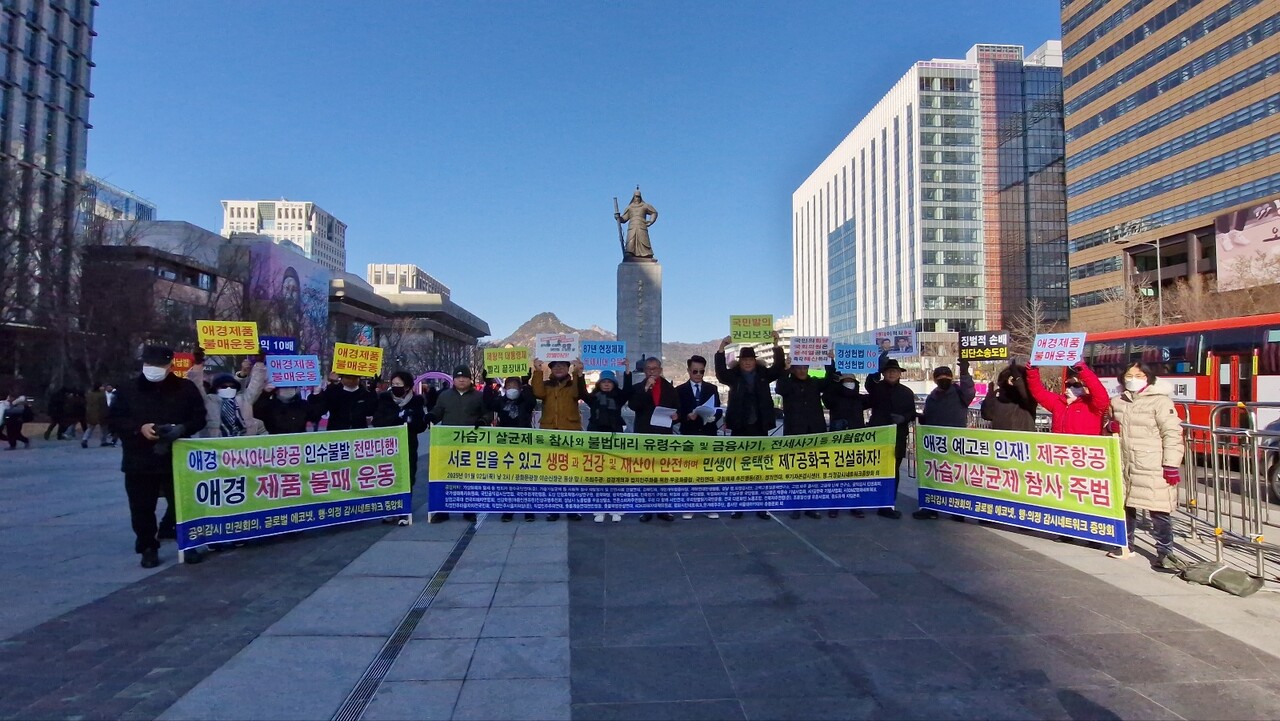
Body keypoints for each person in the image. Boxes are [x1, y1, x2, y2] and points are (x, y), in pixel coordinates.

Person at [107, 345, 208, 568]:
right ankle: (148, 547)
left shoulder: (185, 388)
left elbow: (200, 417)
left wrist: (182, 428)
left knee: (183, 504)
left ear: (170, 365)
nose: (153, 368)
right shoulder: (127, 389)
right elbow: (114, 420)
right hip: (139, 459)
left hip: (177, 457)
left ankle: (188, 543)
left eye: (159, 364)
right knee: (142, 507)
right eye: (149, 364)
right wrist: (139, 428)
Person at [1108, 362, 1186, 570]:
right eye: (1129, 375)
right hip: (1124, 462)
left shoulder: (1160, 401)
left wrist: (1171, 464)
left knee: (1159, 510)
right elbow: (1107, 429)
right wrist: (1109, 427)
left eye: (1139, 375)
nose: (1133, 379)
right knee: (1125, 506)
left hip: (1152, 464)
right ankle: (1125, 545)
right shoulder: (1117, 401)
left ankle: (1165, 553)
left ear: (1148, 378)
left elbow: (1172, 433)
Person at [715, 332, 784, 519]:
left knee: (760, 468)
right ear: (740, 362)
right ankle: (738, 506)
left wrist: (776, 344)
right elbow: (720, 373)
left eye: (750, 359)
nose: (747, 362)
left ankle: (761, 506)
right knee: (739, 467)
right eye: (744, 360)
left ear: (755, 361)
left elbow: (778, 368)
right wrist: (721, 348)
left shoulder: (763, 374)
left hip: (760, 426)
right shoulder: (733, 376)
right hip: (739, 426)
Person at [912, 360, 976, 521]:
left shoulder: (960, 393)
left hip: (955, 442)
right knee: (934, 476)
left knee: (956, 476)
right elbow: (928, 416)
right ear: (935, 380)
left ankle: (958, 510)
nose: (943, 380)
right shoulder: (932, 397)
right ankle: (931, 508)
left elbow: (970, 391)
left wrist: (965, 373)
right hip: (935, 444)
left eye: (946, 377)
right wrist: (920, 417)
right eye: (940, 378)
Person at [427, 365, 490, 523]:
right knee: (445, 476)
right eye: (458, 377)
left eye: (465, 377)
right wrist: (431, 416)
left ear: (470, 379)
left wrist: (483, 420)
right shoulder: (444, 396)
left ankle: (468, 509)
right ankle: (442, 510)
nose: (461, 380)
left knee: (468, 477)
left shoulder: (479, 396)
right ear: (453, 379)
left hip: (470, 443)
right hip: (448, 443)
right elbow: (438, 411)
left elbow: (487, 413)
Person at [775, 353, 832, 520]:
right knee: (795, 471)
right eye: (798, 368)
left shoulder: (814, 382)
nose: (802, 371)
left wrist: (829, 361)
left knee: (813, 471)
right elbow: (780, 388)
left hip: (814, 431)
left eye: (805, 367)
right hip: (795, 432)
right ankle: (795, 506)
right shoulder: (788, 383)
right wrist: (785, 370)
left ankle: (811, 506)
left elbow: (829, 380)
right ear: (793, 369)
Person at [530, 359, 586, 521]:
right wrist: (538, 371)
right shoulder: (546, 385)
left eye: (563, 365)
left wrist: (578, 373)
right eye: (555, 365)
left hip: (570, 432)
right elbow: (538, 393)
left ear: (568, 368)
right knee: (552, 473)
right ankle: (553, 508)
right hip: (550, 433)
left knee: (571, 473)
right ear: (551, 369)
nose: (559, 368)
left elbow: (578, 393)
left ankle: (572, 508)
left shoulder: (573, 383)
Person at [373, 371, 430, 526]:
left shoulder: (416, 401)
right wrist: (397, 418)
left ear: (407, 386)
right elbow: (378, 421)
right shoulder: (385, 399)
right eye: (393, 384)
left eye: (399, 384)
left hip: (408, 445)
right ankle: (390, 510)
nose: (395, 387)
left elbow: (420, 426)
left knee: (408, 476)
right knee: (389, 476)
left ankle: (404, 509)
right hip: (388, 446)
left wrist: (411, 420)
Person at [628, 357, 679, 522]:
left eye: (655, 368)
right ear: (644, 371)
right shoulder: (638, 388)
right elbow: (633, 405)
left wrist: (676, 416)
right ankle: (647, 509)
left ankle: (663, 509)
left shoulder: (670, 388)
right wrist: (646, 389)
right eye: (648, 368)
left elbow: (677, 408)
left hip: (663, 435)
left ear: (660, 370)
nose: (652, 371)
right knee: (646, 474)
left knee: (662, 474)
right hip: (645, 435)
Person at [865, 357, 917, 519]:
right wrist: (875, 367)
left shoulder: (907, 392)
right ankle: (872, 500)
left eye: (895, 371)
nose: (892, 374)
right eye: (888, 371)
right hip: (878, 436)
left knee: (893, 471)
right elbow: (869, 383)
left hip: (898, 436)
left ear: (900, 374)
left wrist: (903, 418)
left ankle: (888, 504)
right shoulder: (876, 388)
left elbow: (912, 412)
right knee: (875, 469)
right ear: (883, 373)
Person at [675, 355, 722, 520]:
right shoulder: (680, 390)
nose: (698, 374)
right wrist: (687, 416)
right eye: (695, 371)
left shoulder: (712, 388)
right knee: (690, 471)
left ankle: (709, 506)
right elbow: (677, 414)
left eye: (701, 371)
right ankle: (690, 505)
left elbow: (718, 409)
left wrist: (712, 417)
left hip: (708, 433)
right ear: (688, 371)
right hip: (689, 434)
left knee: (708, 471)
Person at [485, 374, 537, 522]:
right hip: (506, 445)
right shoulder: (501, 401)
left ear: (519, 389)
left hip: (524, 445)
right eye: (509, 386)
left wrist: (526, 384)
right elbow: (488, 403)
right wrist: (488, 385)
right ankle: (508, 509)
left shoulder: (525, 401)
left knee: (526, 479)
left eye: (515, 386)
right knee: (508, 478)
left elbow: (532, 402)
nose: (512, 389)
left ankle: (528, 510)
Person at [823, 366, 869, 518]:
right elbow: (826, 397)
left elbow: (876, 395)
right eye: (845, 381)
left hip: (856, 443)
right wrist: (832, 374)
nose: (849, 383)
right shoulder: (833, 397)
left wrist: (875, 374)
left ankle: (855, 505)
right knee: (836, 474)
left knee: (855, 475)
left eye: (851, 380)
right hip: (838, 442)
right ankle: (834, 505)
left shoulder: (860, 399)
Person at [1026, 361, 1111, 435]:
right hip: (1060, 446)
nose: (1070, 388)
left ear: (1085, 388)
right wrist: (1032, 371)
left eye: (1076, 385)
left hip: (1084, 447)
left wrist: (1083, 370)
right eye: (1068, 385)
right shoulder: (1058, 402)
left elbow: (1100, 392)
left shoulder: (1093, 406)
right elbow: (1038, 391)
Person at [189, 361, 268, 438]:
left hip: (243, 443)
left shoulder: (244, 400)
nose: (229, 388)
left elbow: (256, 385)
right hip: (216, 444)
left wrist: (259, 364)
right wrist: (197, 365)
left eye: (232, 386)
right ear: (216, 388)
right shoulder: (209, 401)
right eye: (224, 386)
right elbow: (196, 387)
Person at [981, 360, 1038, 432]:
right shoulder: (998, 401)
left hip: (1023, 438)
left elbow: (1027, 395)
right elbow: (986, 415)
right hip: (1002, 438)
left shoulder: (1027, 403)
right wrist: (989, 397)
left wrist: (1018, 379)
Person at [615, 187, 659, 259]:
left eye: (638, 197)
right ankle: (630, 252)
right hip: (632, 226)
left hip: (642, 226)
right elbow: (624, 218)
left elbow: (654, 212)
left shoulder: (645, 206)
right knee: (631, 240)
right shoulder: (630, 207)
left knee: (643, 239)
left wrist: (651, 221)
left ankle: (646, 253)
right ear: (633, 197)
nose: (637, 198)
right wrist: (618, 218)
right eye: (636, 197)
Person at [81, 384, 110, 448]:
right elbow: (104, 405)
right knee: (104, 428)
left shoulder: (90, 395)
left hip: (91, 413)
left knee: (90, 428)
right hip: (101, 413)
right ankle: (103, 441)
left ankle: (84, 439)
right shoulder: (102, 395)